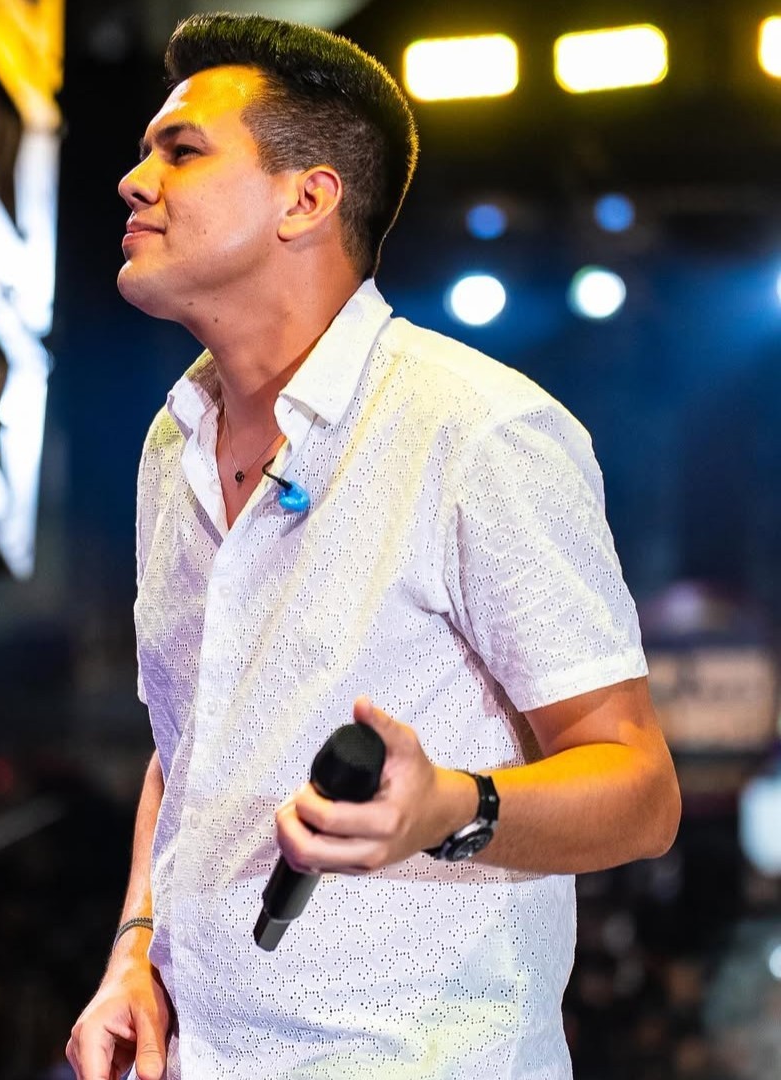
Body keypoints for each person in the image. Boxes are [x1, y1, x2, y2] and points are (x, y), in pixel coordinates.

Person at [66, 12, 681, 1080]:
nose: (133, 180)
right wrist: (135, 951)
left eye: (182, 150)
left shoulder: (477, 430)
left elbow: (641, 789)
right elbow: (189, 749)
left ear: (307, 199)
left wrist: (451, 808)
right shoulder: (173, 444)